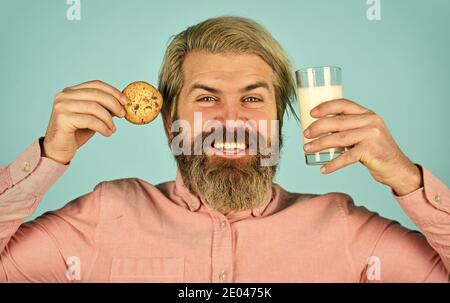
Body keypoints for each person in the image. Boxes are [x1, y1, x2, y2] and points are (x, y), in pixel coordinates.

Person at [0, 16, 448, 282]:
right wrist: (49, 158)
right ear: (167, 117)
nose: (231, 119)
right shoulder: (104, 214)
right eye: (207, 98)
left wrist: (407, 180)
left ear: (279, 118)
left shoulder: (346, 230)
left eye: (253, 99)